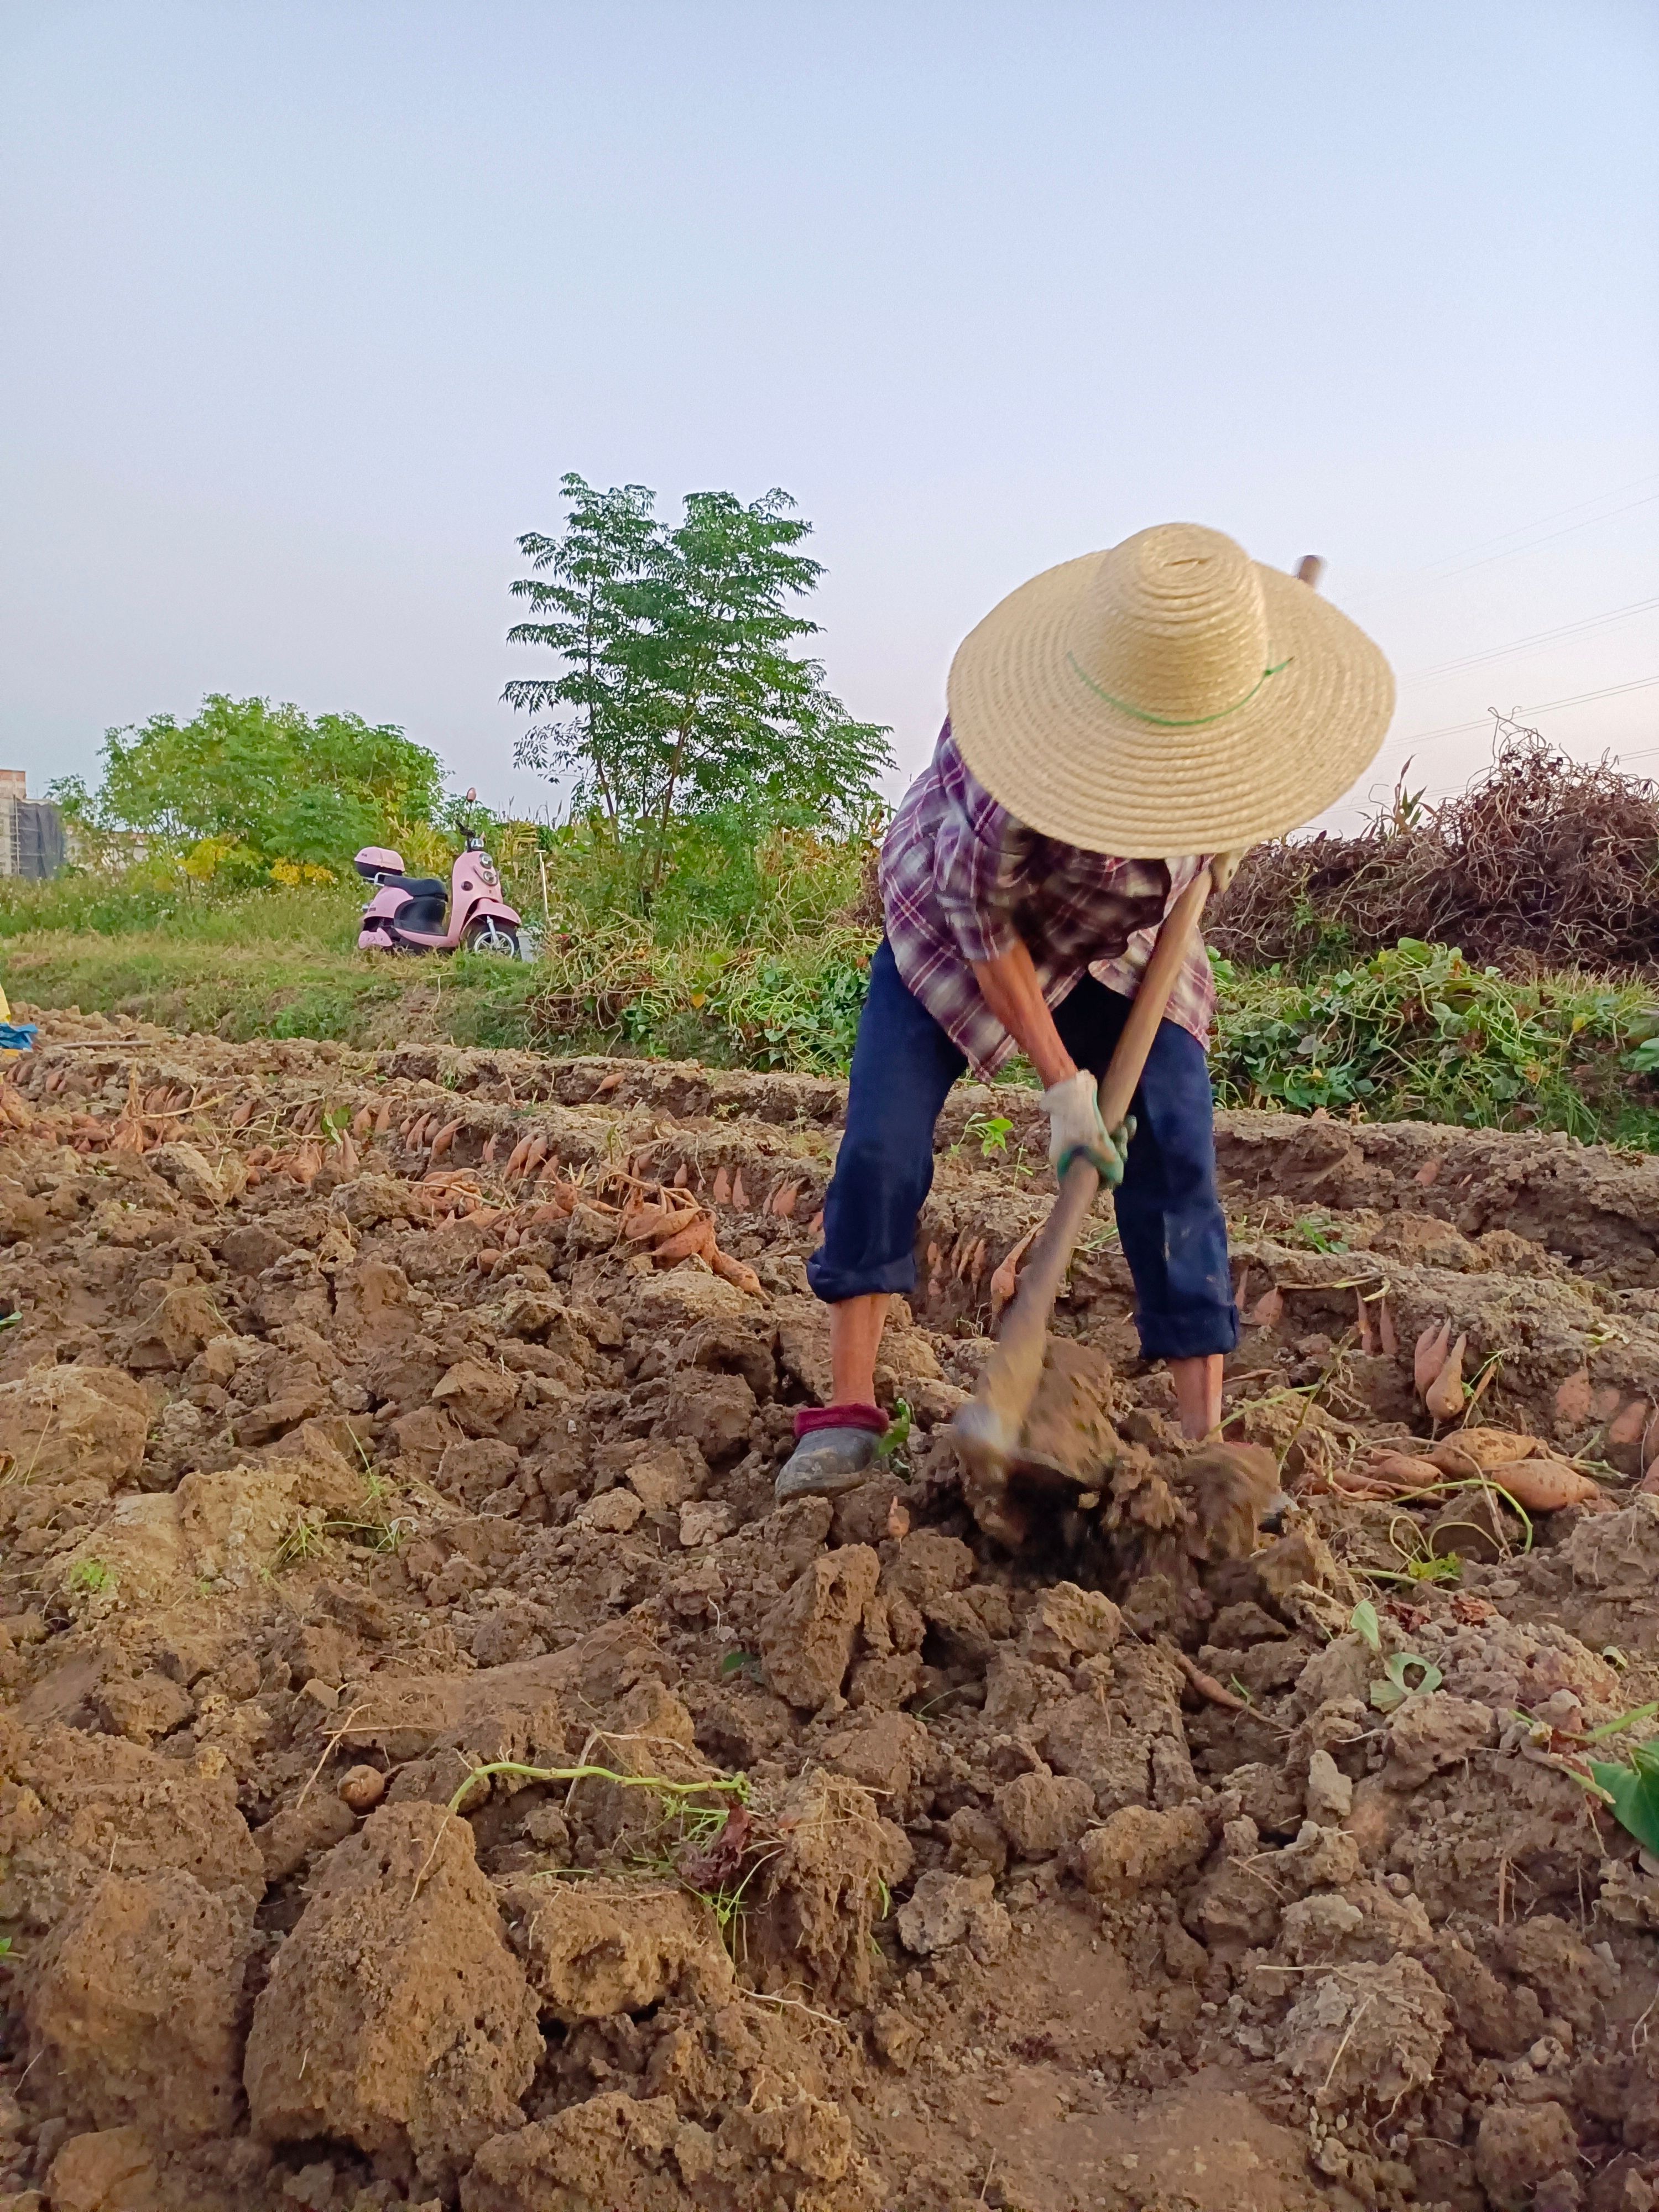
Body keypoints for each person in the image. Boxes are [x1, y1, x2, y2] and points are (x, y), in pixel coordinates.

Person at [776, 521, 1392, 1501]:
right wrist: (1063, 1083)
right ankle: (848, 1414)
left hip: (1134, 943)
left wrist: (1223, 840)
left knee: (1178, 1151)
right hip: (957, 932)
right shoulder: (1003, 762)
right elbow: (988, 938)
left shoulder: (1239, 718)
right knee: (882, 1146)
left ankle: (1205, 1447)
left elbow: (1241, 795)